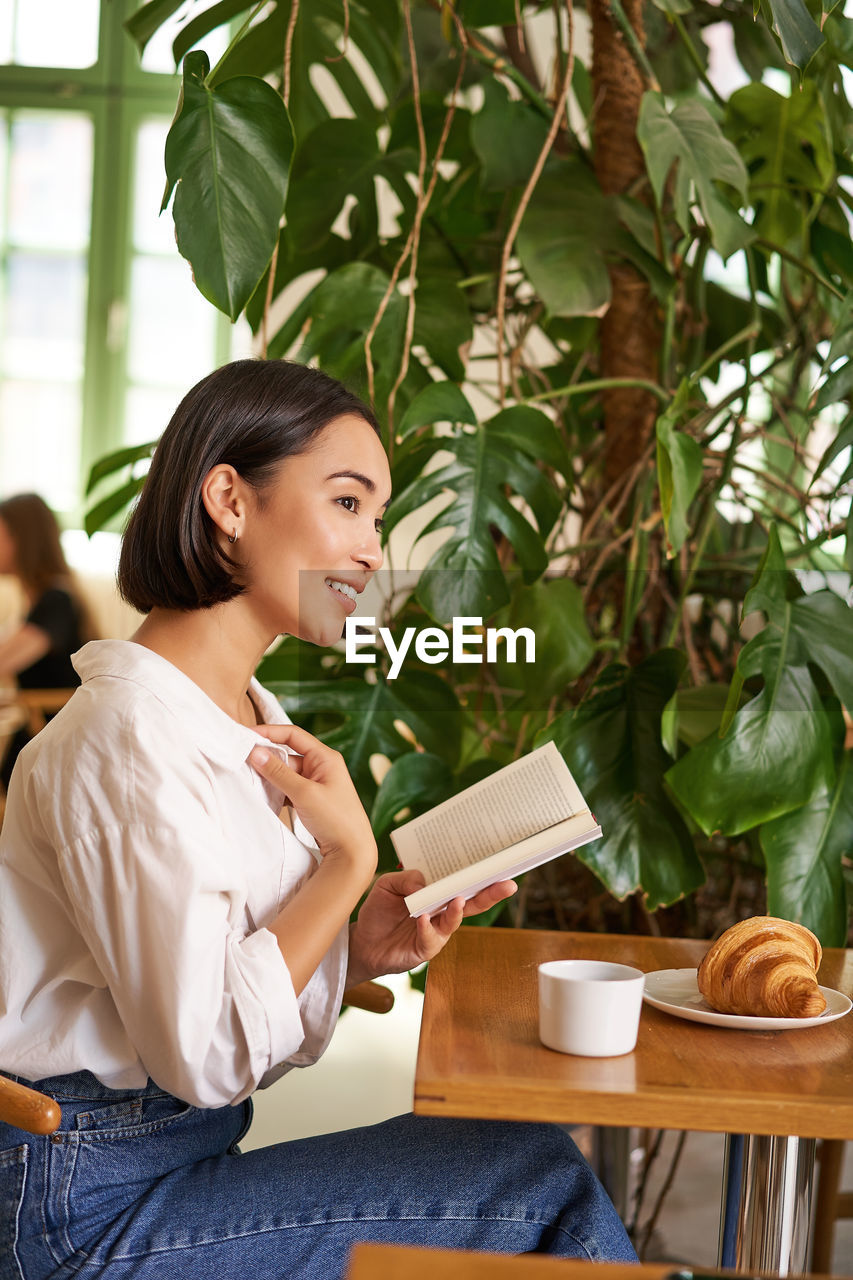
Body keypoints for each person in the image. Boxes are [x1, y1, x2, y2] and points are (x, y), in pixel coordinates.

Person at [0, 359, 636, 1279]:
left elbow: (209, 996)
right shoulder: (125, 743)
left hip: (163, 1162)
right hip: (79, 1209)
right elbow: (209, 1056)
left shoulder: (240, 720)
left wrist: (352, 950)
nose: (374, 550)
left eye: (376, 518)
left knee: (518, 1163)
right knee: (529, 1180)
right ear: (228, 498)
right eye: (348, 503)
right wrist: (343, 867)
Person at [0, 492, 97, 791]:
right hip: (41, 734)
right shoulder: (41, 601)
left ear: (22, 540)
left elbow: (4, 660)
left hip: (56, 743)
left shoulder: (56, 600)